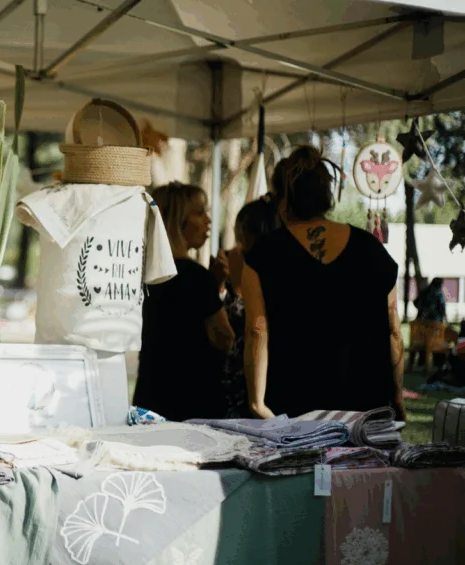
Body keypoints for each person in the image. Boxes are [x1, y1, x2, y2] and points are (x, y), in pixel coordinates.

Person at [242, 146, 406, 420]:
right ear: (326, 196)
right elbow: (394, 331)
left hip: (292, 410)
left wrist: (257, 403)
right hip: (364, 410)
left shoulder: (263, 255)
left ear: (284, 201)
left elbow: (256, 331)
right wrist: (398, 397)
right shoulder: (372, 250)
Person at [134, 182, 234, 421]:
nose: (208, 220)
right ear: (176, 220)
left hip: (151, 398)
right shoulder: (195, 276)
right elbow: (223, 337)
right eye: (199, 212)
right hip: (195, 402)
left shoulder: (141, 273)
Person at [220, 198, 280, 418]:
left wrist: (235, 287)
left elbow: (250, 328)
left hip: (250, 384)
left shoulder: (253, 265)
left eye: (242, 233)